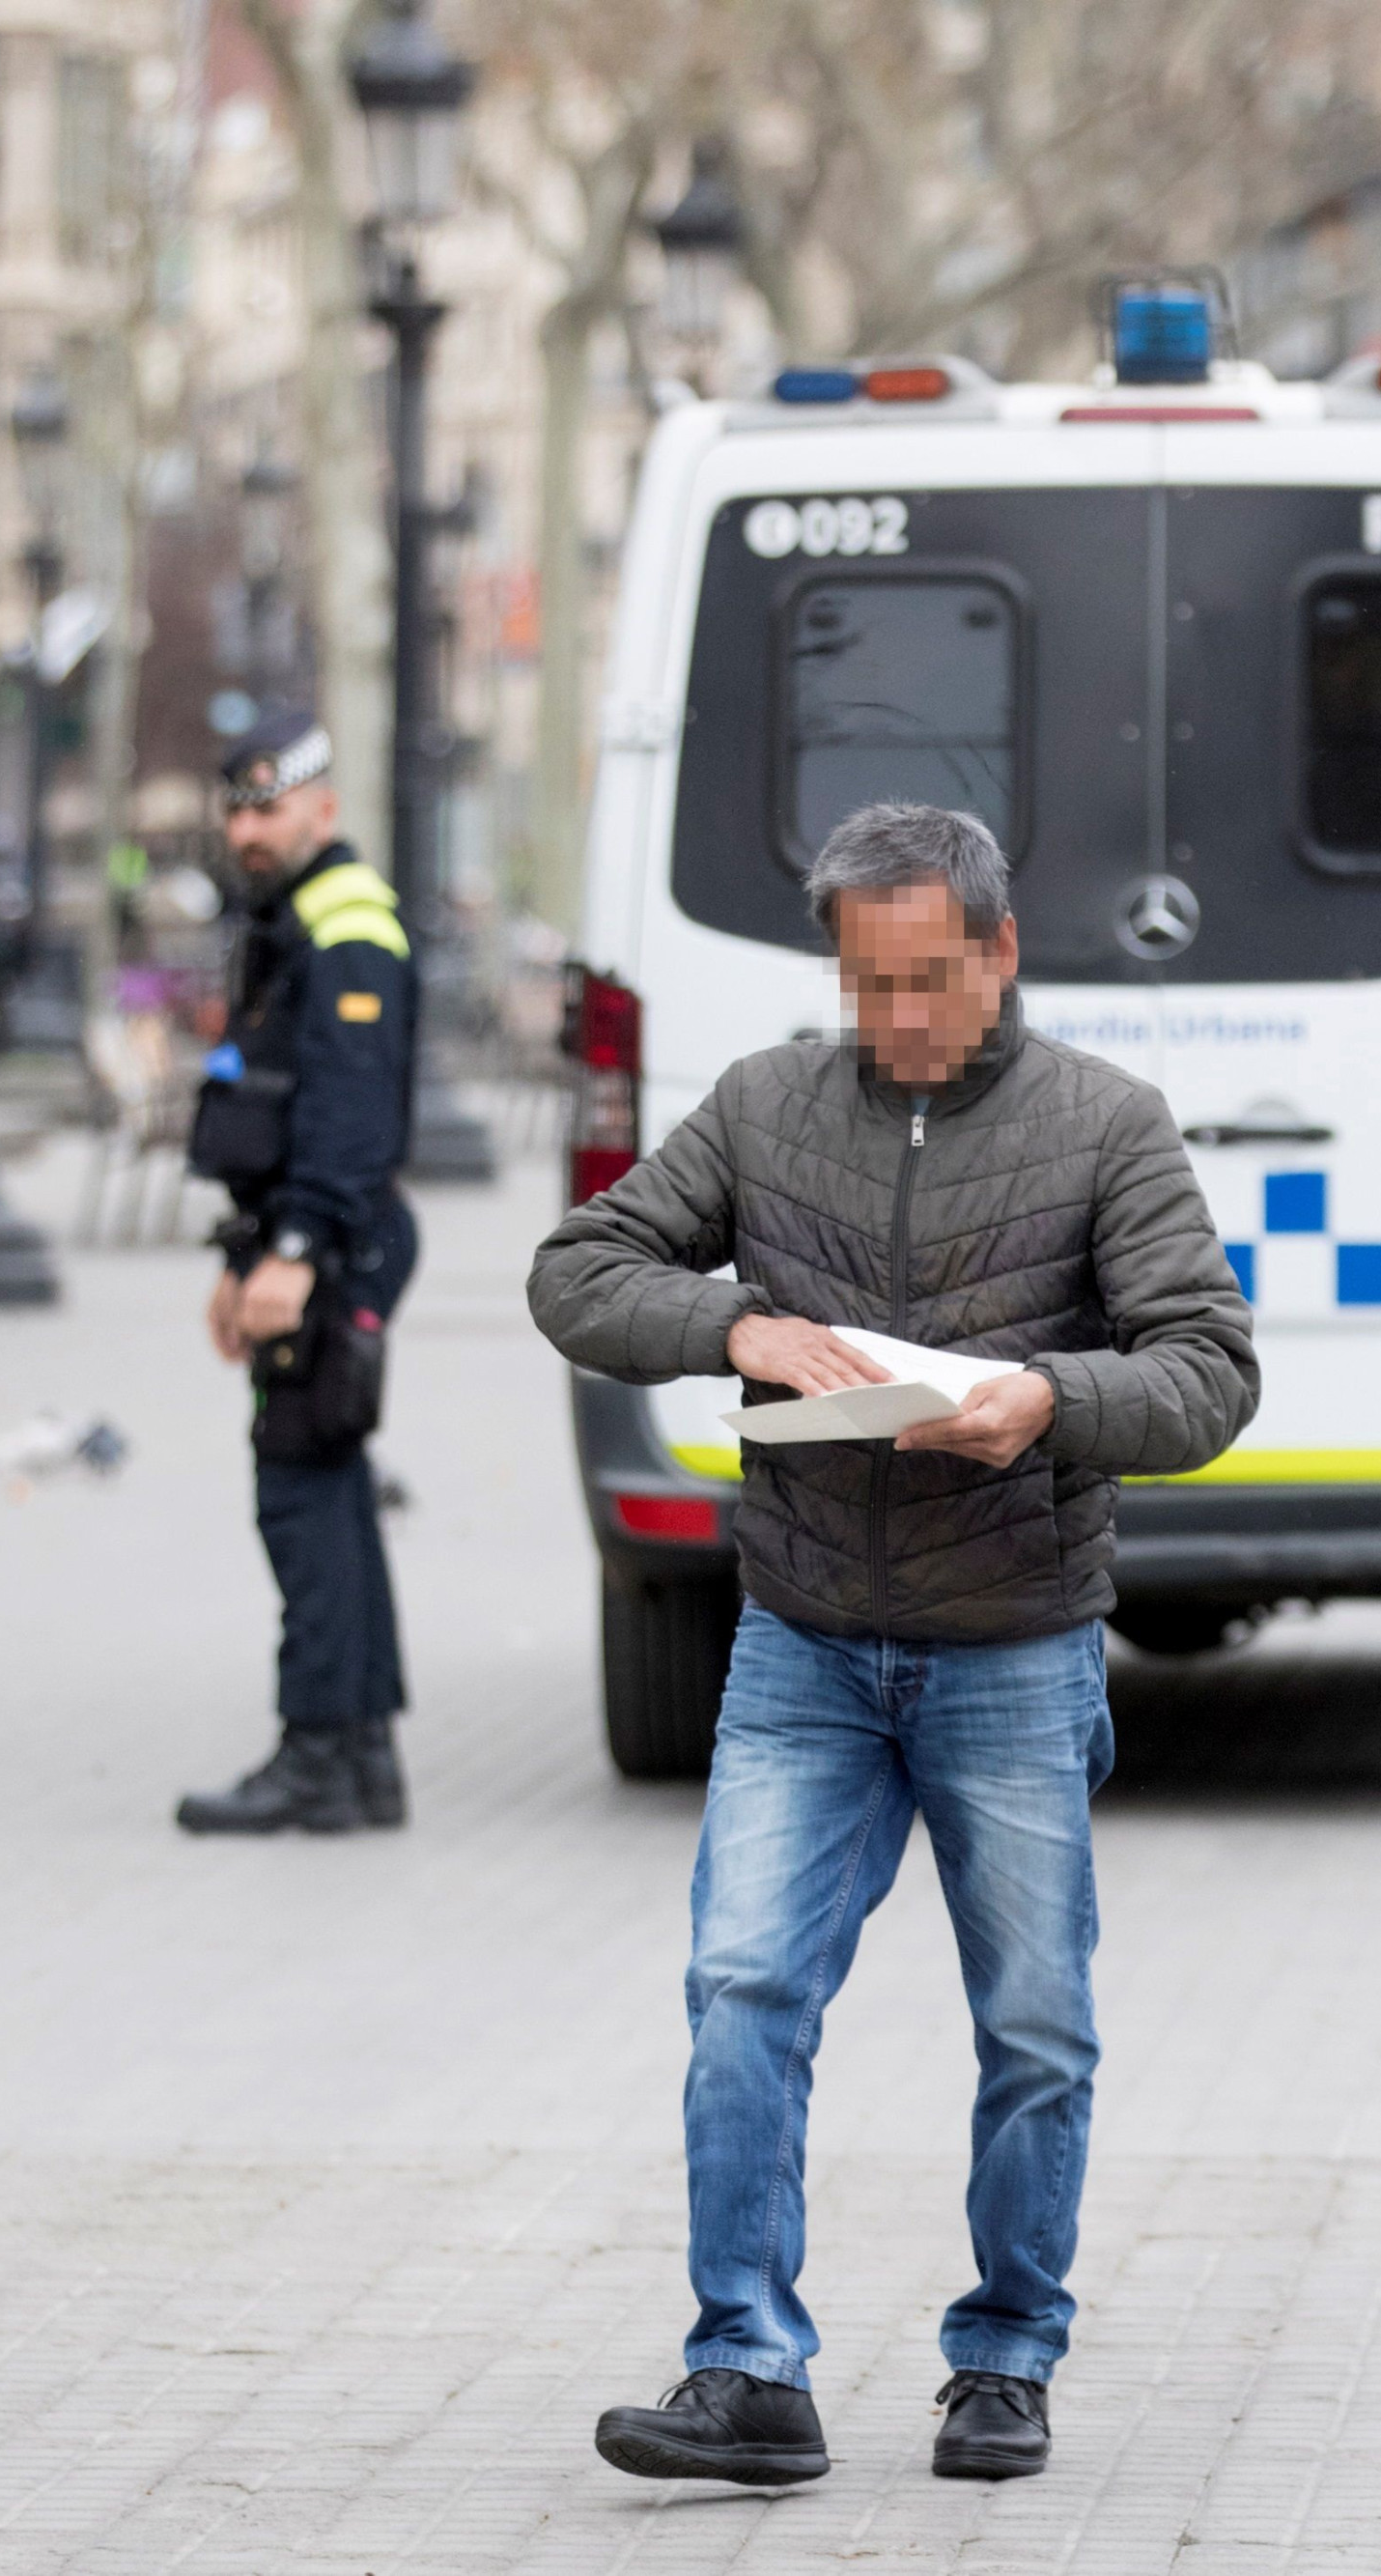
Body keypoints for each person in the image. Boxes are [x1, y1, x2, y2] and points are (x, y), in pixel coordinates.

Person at [526, 802, 1259, 2484]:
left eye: (933, 977)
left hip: (1010, 1643)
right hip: (803, 1644)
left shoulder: (1105, 1124)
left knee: (1035, 2022)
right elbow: (578, 1273)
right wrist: (739, 1325)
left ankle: (1006, 2352)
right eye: (872, 982)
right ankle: (748, 2371)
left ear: (1002, 952)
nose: (904, 1017)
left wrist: (1049, 1402)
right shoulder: (768, 1104)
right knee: (741, 1989)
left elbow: (1210, 1372)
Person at [174, 713, 422, 1837]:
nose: (246, 827)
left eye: (267, 806)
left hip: (331, 1239)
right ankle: (359, 1757)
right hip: (304, 1233)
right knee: (327, 1486)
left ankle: (319, 1752)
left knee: (300, 1496)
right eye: (235, 807)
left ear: (322, 807)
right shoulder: (286, 918)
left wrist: (295, 1252)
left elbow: (352, 1115)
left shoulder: (345, 923)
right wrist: (254, 1247)